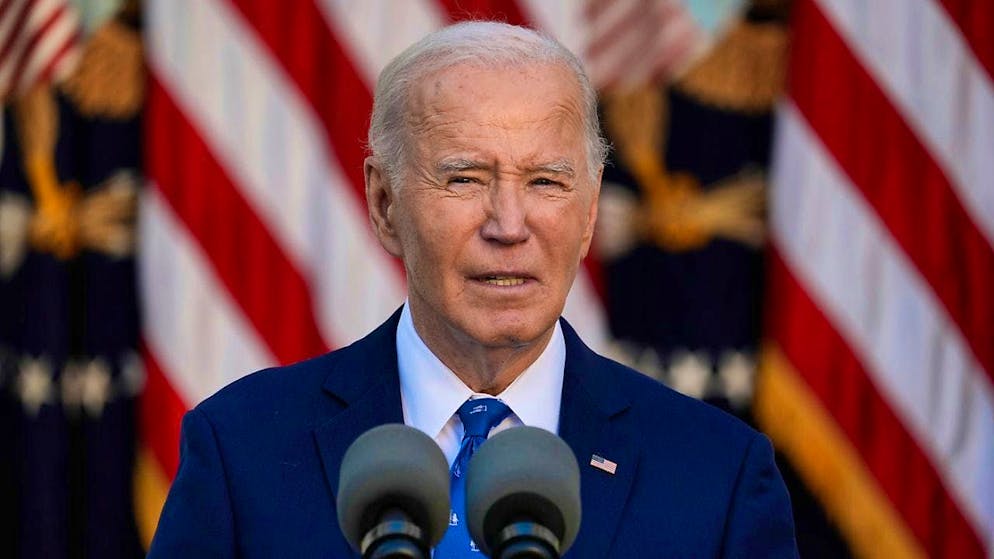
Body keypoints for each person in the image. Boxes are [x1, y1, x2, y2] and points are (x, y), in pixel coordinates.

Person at [148, 21, 798, 558]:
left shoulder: (718, 478)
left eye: (546, 181)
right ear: (383, 202)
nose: (509, 225)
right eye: (464, 179)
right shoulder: (242, 452)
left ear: (590, 211)